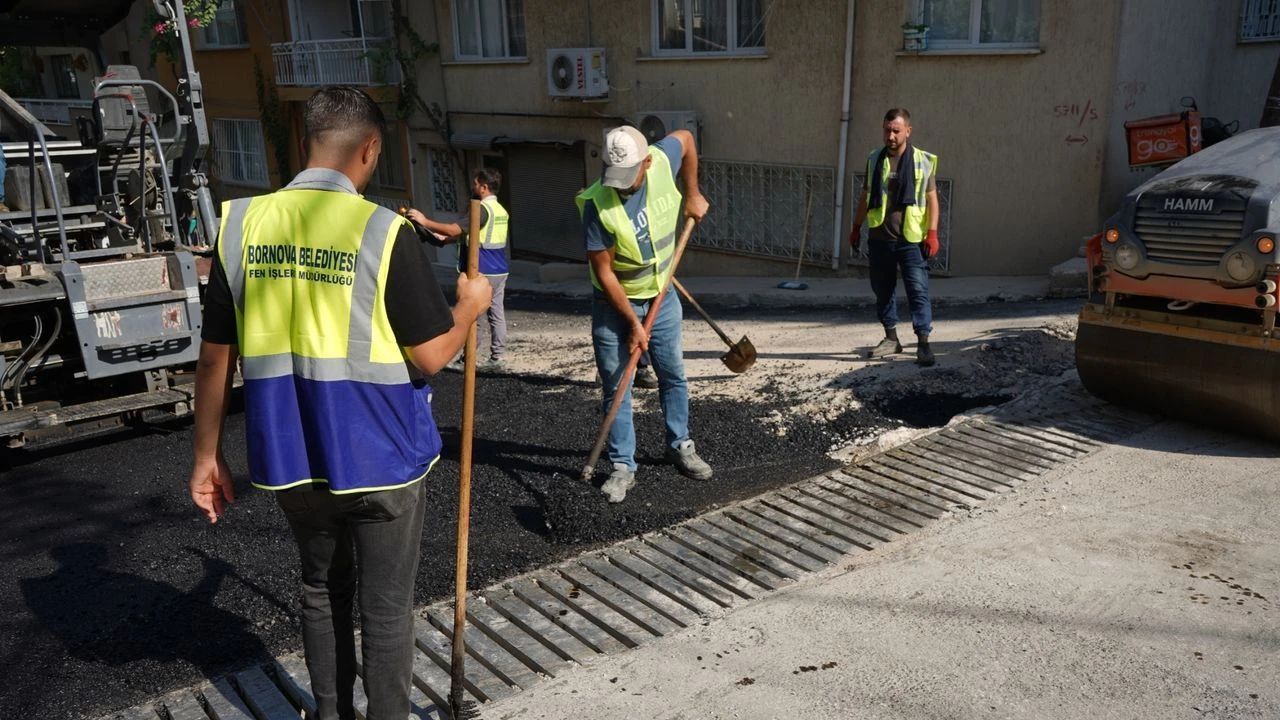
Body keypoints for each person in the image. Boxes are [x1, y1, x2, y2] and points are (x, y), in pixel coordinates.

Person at [188, 86, 491, 720]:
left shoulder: (241, 224)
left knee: (321, 592)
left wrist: (206, 458)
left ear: (306, 144)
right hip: (382, 457)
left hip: (293, 454)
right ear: (370, 149)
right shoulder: (381, 231)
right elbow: (431, 354)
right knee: (384, 608)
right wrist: (470, 307)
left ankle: (331, 714)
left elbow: (217, 356)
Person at [575, 125, 711, 503]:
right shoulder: (595, 204)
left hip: (662, 296)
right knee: (618, 385)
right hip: (612, 304)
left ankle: (680, 444)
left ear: (647, 162)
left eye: (627, 177)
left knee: (672, 375)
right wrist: (633, 324)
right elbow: (604, 274)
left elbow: (685, 138)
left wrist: (693, 193)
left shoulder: (662, 159)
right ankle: (622, 466)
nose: (618, 185)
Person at [849, 107, 940, 367]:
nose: (891, 136)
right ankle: (891, 339)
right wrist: (856, 227)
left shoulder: (922, 160)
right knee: (882, 290)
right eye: (887, 130)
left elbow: (932, 200)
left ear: (907, 132)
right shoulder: (874, 159)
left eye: (896, 131)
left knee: (918, 291)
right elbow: (866, 196)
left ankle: (923, 344)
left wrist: (932, 233)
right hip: (880, 238)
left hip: (911, 240)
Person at [405, 168, 510, 372]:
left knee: (472, 314)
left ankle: (467, 359)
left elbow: (455, 229)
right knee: (496, 314)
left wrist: (424, 221)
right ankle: (497, 357)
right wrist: (444, 239)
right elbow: (469, 234)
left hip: (482, 270)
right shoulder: (500, 210)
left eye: (475, 183)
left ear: (483, 187)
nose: (473, 187)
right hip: (499, 269)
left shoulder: (481, 210)